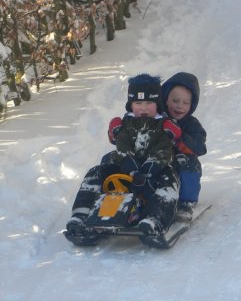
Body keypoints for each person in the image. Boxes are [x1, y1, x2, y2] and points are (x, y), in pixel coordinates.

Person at [65, 74, 180, 243]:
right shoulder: (126, 125)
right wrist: (131, 168)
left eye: (149, 103)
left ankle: (156, 220)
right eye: (138, 103)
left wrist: (148, 170)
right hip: (126, 171)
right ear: (131, 104)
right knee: (96, 171)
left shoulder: (163, 126)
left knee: (169, 178)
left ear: (157, 104)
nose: (143, 108)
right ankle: (81, 215)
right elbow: (122, 148)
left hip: (153, 172)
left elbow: (163, 150)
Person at [160, 71, 207, 221]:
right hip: (156, 160)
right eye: (175, 100)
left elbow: (199, 147)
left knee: (189, 163)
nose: (180, 106)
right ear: (166, 99)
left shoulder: (191, 124)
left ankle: (186, 202)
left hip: (176, 165)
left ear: (191, 105)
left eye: (185, 103)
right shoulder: (157, 118)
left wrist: (180, 137)